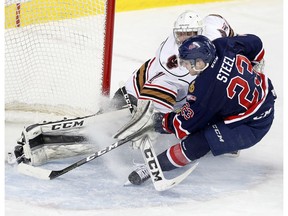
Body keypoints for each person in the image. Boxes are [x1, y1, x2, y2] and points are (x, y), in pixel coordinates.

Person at [116, 34, 276, 185]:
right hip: (264, 94)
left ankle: (152, 167)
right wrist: (255, 62)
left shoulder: (206, 90)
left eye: (186, 63)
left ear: (200, 63)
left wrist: (159, 122)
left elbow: (184, 125)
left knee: (200, 141)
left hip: (251, 125)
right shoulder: (222, 46)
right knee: (208, 118)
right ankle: (227, 142)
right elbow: (255, 43)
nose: (184, 66)